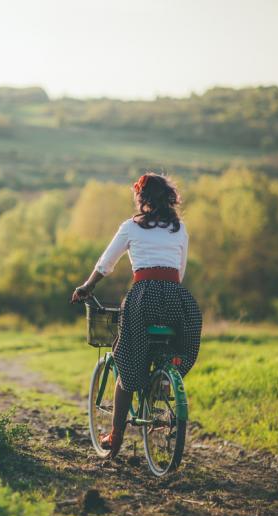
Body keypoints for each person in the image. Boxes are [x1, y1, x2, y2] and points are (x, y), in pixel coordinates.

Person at [70, 173, 202, 458]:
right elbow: (179, 271)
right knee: (175, 344)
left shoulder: (130, 227)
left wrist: (86, 287)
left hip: (144, 298)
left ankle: (115, 435)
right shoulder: (179, 229)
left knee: (127, 359)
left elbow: (106, 264)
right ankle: (167, 376)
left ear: (142, 199)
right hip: (177, 299)